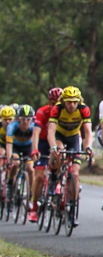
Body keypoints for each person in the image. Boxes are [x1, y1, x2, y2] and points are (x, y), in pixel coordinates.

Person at [47, 86, 93, 219]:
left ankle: (72, 205)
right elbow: (51, 131)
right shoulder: (57, 108)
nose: (72, 105)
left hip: (74, 138)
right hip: (59, 136)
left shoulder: (83, 109)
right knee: (60, 152)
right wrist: (53, 147)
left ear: (79, 101)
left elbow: (88, 132)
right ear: (63, 101)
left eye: (74, 102)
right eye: (69, 102)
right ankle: (54, 177)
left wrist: (88, 147)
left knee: (75, 173)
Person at [28, 87, 62, 223]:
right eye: (53, 102)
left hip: (56, 140)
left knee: (61, 153)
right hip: (43, 142)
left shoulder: (64, 112)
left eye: (58, 103)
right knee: (40, 176)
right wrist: (35, 150)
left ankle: (56, 180)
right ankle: (34, 207)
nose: (55, 106)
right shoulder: (42, 111)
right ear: (49, 101)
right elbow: (35, 133)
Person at [5, 106, 35, 182]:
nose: (25, 122)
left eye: (28, 119)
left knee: (30, 169)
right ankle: (10, 182)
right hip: (16, 148)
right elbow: (9, 145)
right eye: (23, 119)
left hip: (28, 148)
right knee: (15, 163)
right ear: (19, 119)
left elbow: (36, 142)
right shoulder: (12, 127)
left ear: (32, 119)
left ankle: (31, 191)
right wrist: (9, 162)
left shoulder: (33, 127)